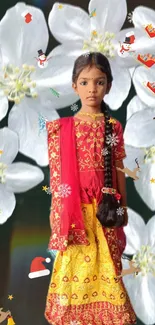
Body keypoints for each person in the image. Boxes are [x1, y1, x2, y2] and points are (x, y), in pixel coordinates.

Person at [44, 52, 137, 325]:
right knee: (74, 269)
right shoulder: (62, 129)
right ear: (74, 85)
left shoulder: (113, 127)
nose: (91, 89)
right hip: (73, 213)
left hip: (105, 211)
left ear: (108, 85)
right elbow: (57, 174)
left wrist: (123, 208)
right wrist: (55, 209)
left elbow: (118, 168)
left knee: (108, 265)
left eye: (99, 82)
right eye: (84, 82)